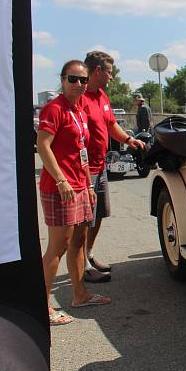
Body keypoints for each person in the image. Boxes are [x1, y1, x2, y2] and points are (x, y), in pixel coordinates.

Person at [36, 60, 112, 326]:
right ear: (62, 79)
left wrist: (89, 185)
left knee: (79, 242)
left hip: (80, 185)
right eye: (73, 79)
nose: (78, 84)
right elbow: (43, 146)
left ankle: (80, 294)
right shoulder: (54, 108)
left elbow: (82, 151)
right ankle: (43, 307)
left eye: (82, 80)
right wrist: (61, 181)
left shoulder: (78, 110)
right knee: (58, 247)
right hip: (61, 189)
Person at [82, 51, 146, 281]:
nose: (112, 77)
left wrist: (129, 140)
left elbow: (110, 125)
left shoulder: (102, 96)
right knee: (83, 219)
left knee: (98, 214)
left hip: (100, 166)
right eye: (109, 72)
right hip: (82, 170)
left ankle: (88, 254)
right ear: (97, 70)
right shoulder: (79, 95)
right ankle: (81, 266)